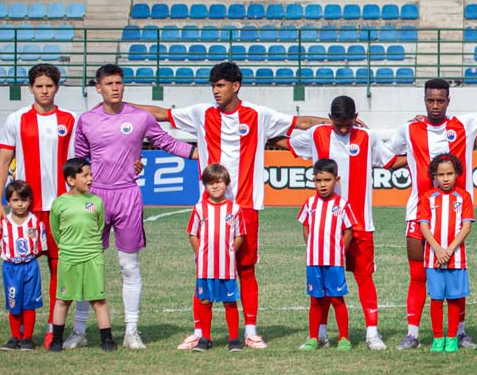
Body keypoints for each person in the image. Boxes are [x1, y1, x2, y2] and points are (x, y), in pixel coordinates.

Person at [135, 62, 326, 349]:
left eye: (221, 85)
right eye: (213, 86)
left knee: (246, 270)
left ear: (235, 86)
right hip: (210, 207)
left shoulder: (258, 115)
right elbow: (161, 114)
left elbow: (300, 123)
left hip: (246, 205)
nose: (216, 91)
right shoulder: (201, 113)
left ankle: (249, 331)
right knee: (204, 268)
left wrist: (337, 122)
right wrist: (116, 103)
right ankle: (200, 331)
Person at [72, 64, 197, 350]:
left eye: (119, 82)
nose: (115, 87)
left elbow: (165, 142)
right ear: (98, 88)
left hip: (128, 196)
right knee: (86, 265)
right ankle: (79, 330)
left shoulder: (140, 118)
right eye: (109, 83)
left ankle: (131, 331)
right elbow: (80, 161)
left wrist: (198, 153)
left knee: (129, 266)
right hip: (96, 198)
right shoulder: (87, 120)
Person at [282, 95, 395, 350]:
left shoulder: (368, 137)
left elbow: (389, 161)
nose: (343, 130)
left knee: (364, 279)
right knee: (321, 285)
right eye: (338, 124)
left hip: (361, 224)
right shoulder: (317, 134)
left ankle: (372, 334)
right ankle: (319, 335)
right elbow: (286, 142)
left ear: (356, 118)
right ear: (330, 118)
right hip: (325, 229)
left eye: (348, 124)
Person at [388, 79, 477, 350]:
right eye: (430, 100)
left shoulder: (463, 125)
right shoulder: (409, 128)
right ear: (424, 100)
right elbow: (388, 155)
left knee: (456, 274)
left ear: (448, 101)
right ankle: (413, 334)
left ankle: (460, 332)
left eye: (439, 101)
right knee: (418, 276)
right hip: (416, 215)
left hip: (454, 218)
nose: (434, 106)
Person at [0, 63, 75, 348]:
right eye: (39, 86)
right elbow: (3, 162)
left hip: (58, 209)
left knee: (58, 269)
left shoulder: (69, 119)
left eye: (49, 86)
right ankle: (20, 334)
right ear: (31, 88)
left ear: (57, 88)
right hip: (24, 212)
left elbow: (77, 165)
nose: (44, 90)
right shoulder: (16, 119)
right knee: (18, 270)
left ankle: (55, 329)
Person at [47, 158, 113, 352]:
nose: (90, 178)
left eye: (91, 174)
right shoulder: (60, 203)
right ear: (71, 180)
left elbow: (100, 227)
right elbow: (56, 231)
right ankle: (57, 340)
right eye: (85, 175)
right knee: (63, 300)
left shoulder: (96, 202)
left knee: (98, 300)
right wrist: (69, 248)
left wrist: (89, 247)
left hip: (93, 257)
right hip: (69, 258)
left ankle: (107, 340)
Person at [297, 159, 358, 352]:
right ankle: (314, 338)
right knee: (315, 300)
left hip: (334, 261)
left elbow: (349, 230)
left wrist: (341, 249)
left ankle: (344, 339)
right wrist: (311, 245)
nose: (322, 184)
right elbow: (305, 225)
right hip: (314, 261)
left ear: (336, 180)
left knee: (337, 299)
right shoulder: (310, 203)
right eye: (318, 180)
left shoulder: (341, 205)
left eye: (327, 180)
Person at [417, 154, 475, 353]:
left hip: (456, 258)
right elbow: (424, 227)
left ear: (457, 173)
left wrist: (449, 250)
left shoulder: (464, 196)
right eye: (441, 174)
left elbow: (466, 227)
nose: (446, 178)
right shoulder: (428, 197)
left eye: (450, 173)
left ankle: (452, 337)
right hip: (434, 258)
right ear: (434, 175)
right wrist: (438, 249)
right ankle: (437, 337)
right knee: (436, 299)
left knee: (454, 298)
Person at [184, 164, 245, 352]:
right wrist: (200, 251)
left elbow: (240, 235)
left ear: (226, 184)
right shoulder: (199, 209)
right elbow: (193, 233)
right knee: (205, 301)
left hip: (226, 266)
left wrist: (230, 252)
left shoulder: (234, 209)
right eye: (211, 183)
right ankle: (205, 338)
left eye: (218, 182)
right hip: (205, 267)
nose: (215, 186)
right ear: (205, 185)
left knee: (229, 301)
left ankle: (234, 338)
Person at [0, 181, 46, 351]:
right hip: (11, 268)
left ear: (30, 201)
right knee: (14, 302)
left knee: (29, 303)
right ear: (8, 202)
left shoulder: (35, 222)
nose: (20, 204)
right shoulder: (3, 222)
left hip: (30, 266)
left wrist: (29, 258)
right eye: (15, 200)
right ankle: (15, 337)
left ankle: (27, 338)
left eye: (24, 200)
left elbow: (40, 246)